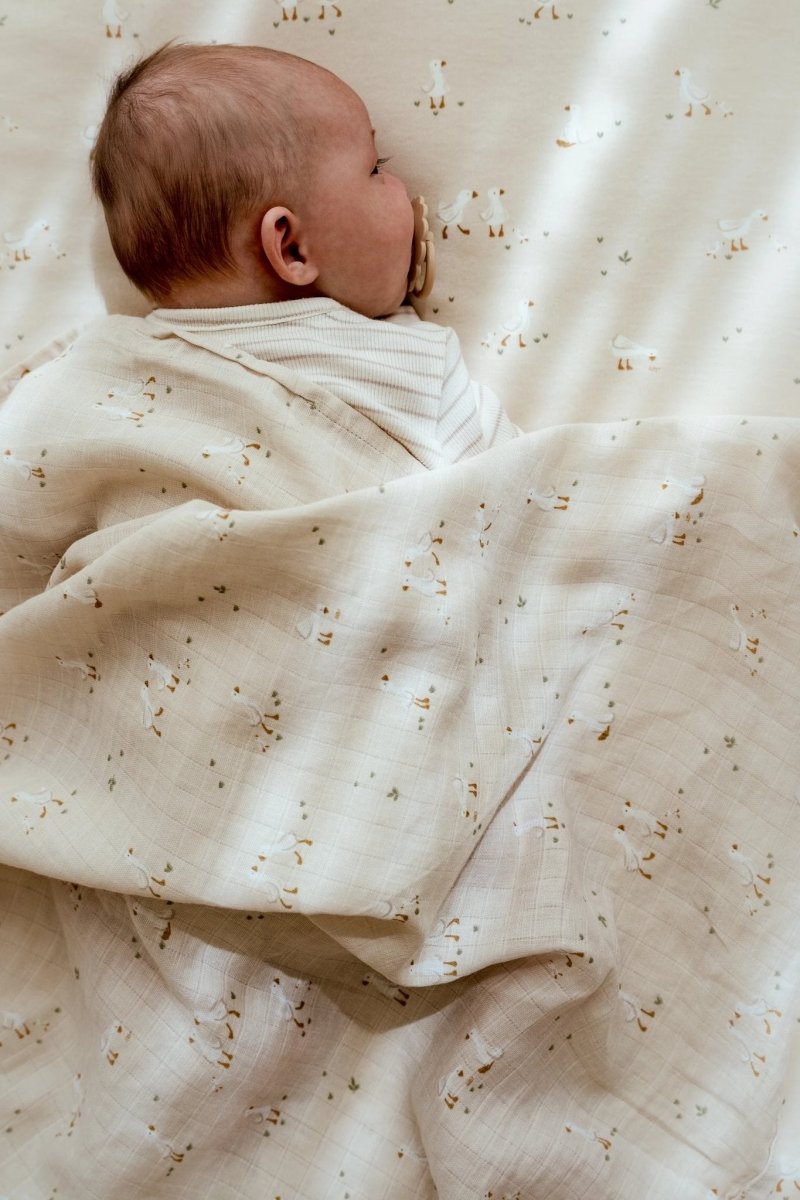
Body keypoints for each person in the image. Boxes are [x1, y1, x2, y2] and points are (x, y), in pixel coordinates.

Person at [89, 41, 517, 469]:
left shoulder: (104, 360)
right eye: (375, 168)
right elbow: (513, 481)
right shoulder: (403, 365)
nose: (399, 183)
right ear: (291, 248)